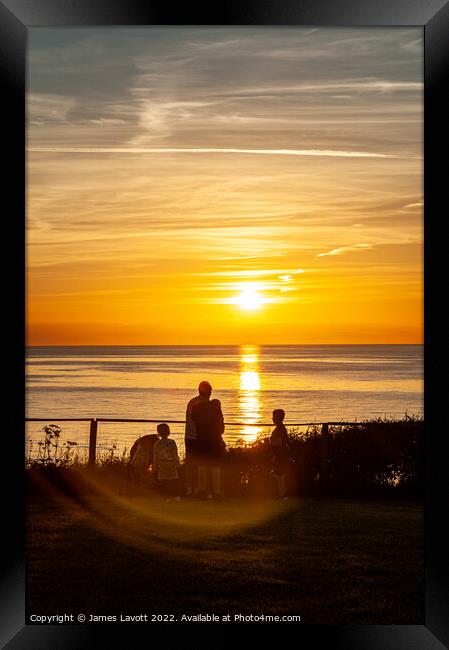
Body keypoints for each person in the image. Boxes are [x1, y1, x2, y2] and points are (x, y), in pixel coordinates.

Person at [192, 397, 225, 499]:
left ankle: (202, 491)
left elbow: (194, 422)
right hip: (214, 441)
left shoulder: (197, 407)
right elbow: (221, 430)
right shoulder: (216, 409)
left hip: (201, 440)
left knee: (202, 466)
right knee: (215, 467)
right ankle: (217, 492)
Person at [184, 381, 212, 496]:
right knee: (197, 464)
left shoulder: (193, 402)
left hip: (193, 437)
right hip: (196, 437)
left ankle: (193, 488)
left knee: (194, 464)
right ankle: (194, 488)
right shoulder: (200, 403)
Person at [152, 423, 181, 501]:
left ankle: (166, 496)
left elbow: (155, 457)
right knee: (174, 481)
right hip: (172, 464)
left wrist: (154, 467)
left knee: (164, 481)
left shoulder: (157, 444)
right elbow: (175, 454)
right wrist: (177, 464)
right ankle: (176, 496)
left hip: (162, 465)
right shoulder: (172, 442)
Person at [270, 409, 289, 500]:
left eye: (274, 417)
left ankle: (283, 494)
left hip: (281, 455)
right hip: (278, 454)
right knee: (278, 474)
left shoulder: (280, 429)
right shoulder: (280, 428)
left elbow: (280, 442)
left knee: (280, 474)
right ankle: (280, 493)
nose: (272, 419)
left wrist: (268, 443)